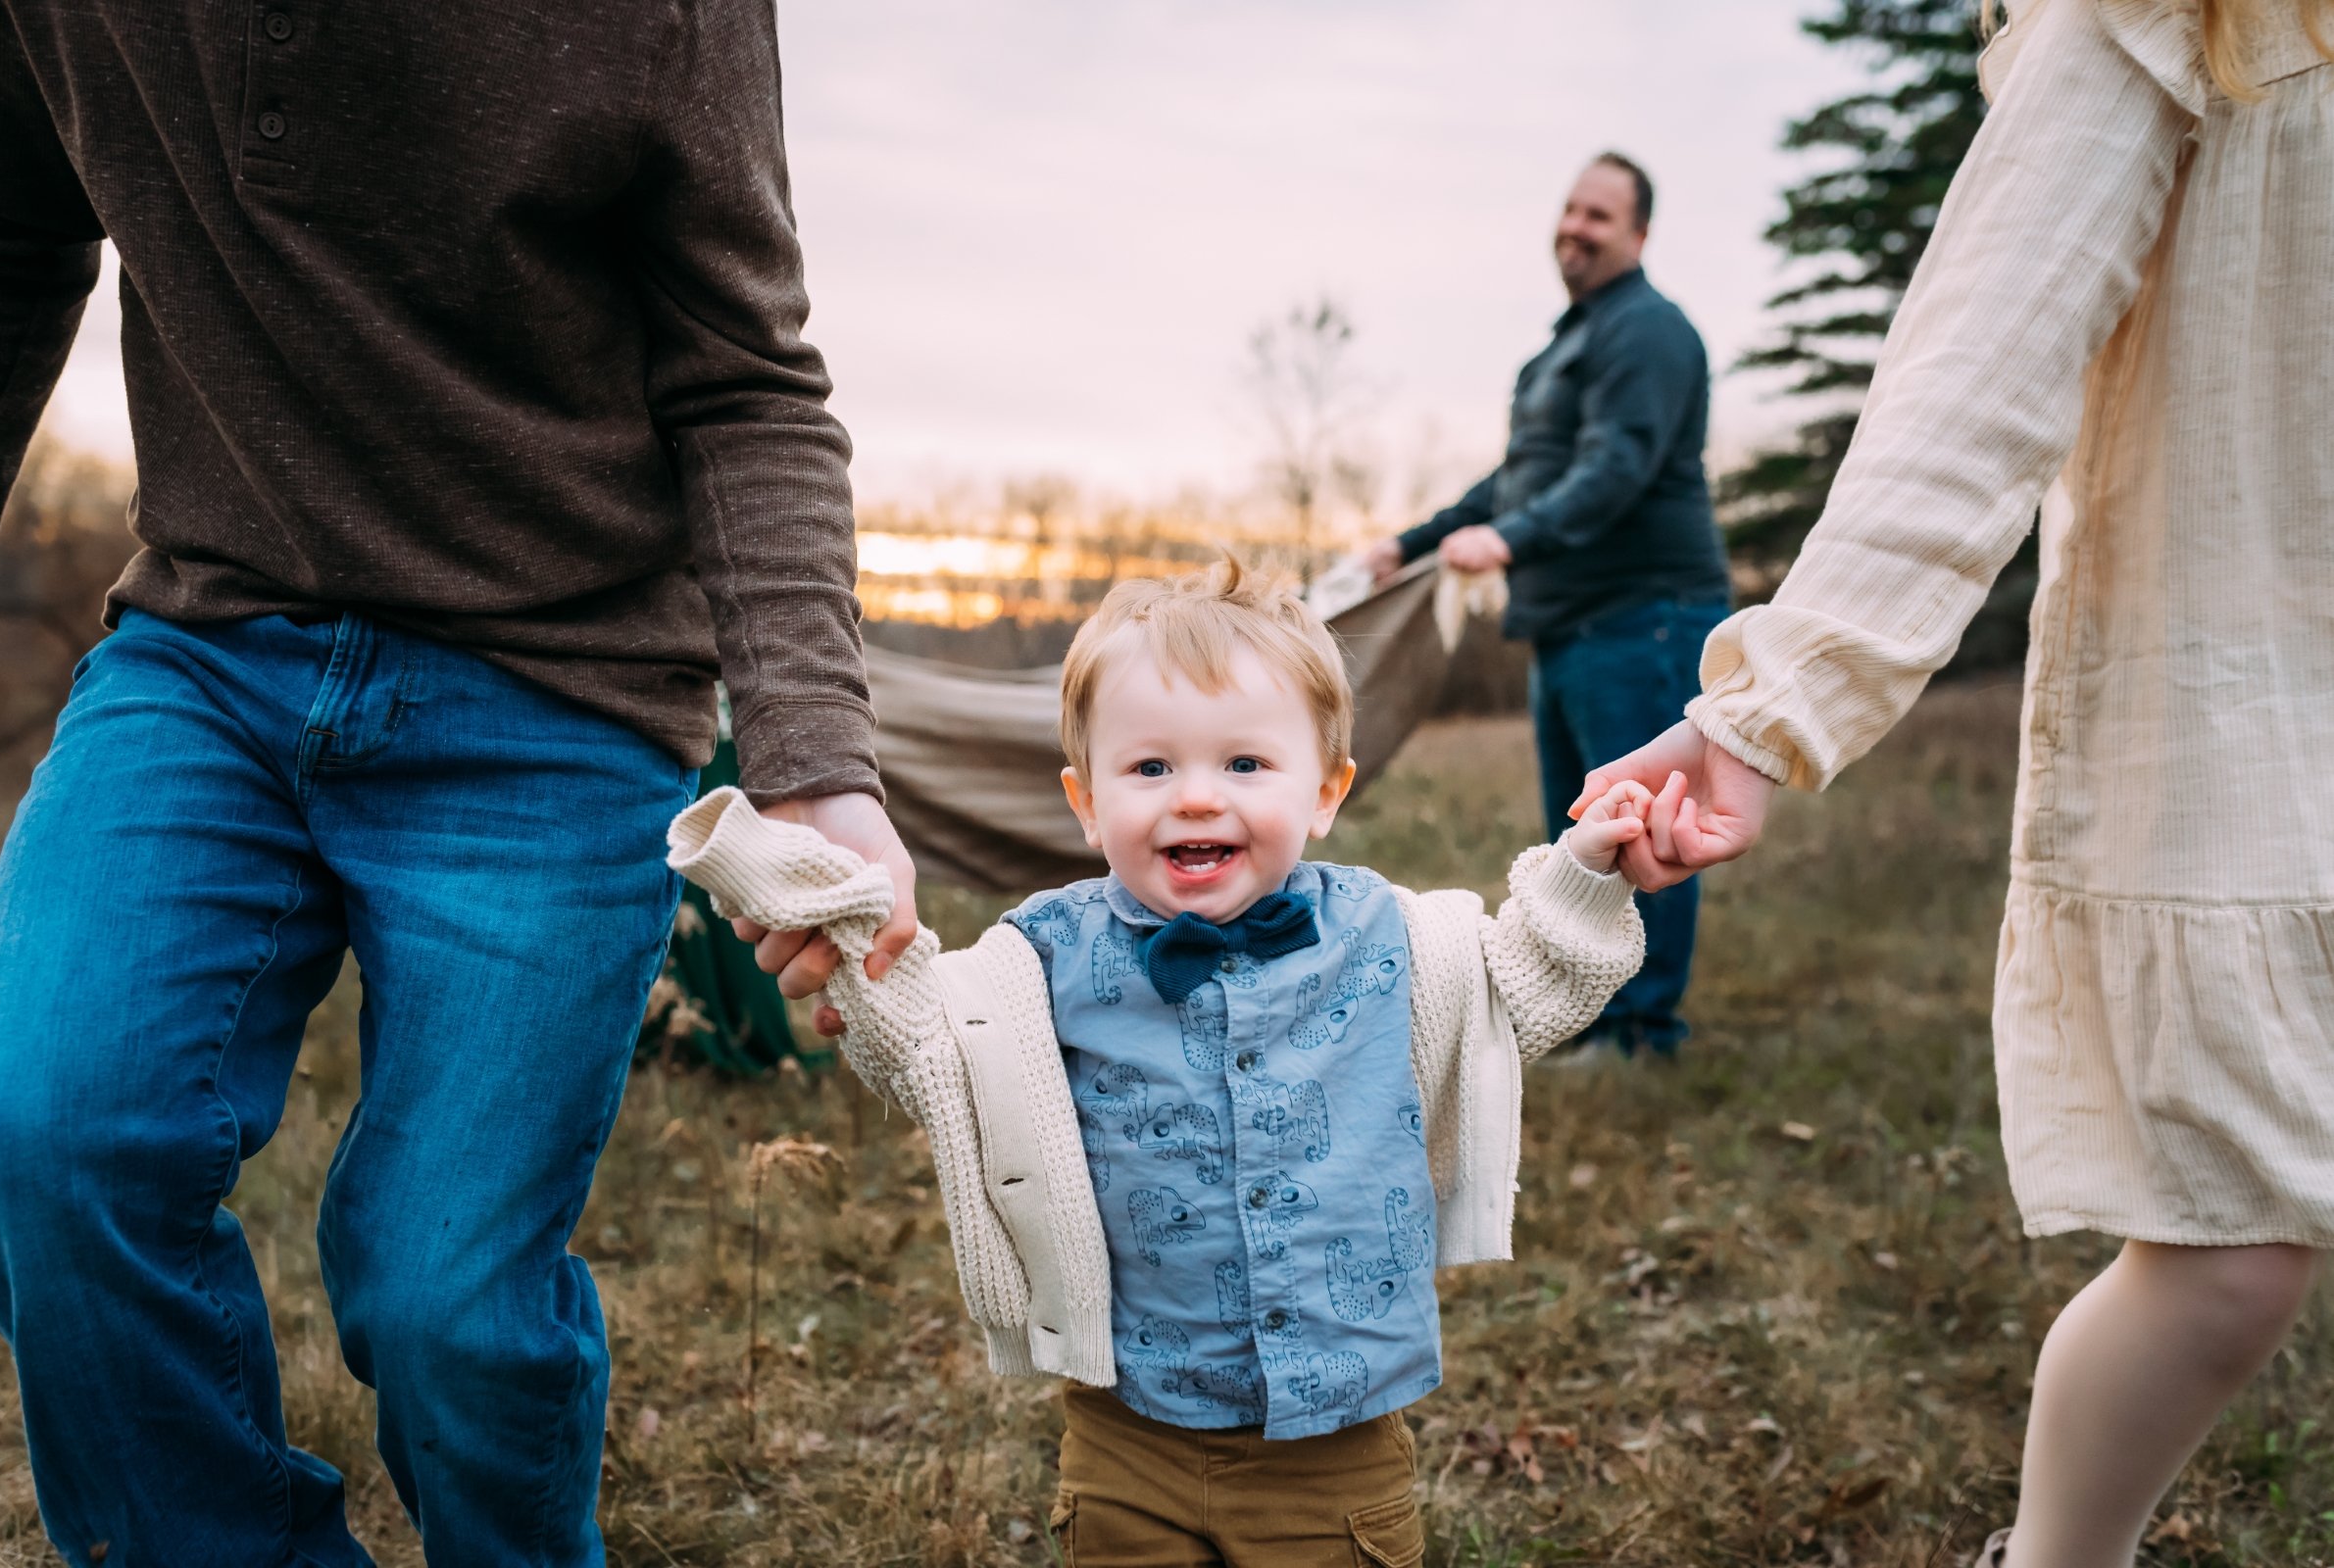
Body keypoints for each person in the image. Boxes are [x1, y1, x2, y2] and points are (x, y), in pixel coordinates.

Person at [0, 4, 914, 1563]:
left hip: (558, 686)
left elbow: (745, 377)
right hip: (209, 646)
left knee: (446, 1298)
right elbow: (7, 240)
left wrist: (816, 760)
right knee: (47, 1137)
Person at [1576, 3, 2334, 1564]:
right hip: (2255, 693)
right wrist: (1768, 708)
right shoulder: (2175, 19)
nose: (1573, 229)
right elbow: (1981, 359)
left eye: (1595, 208)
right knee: (2231, 1250)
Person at [669, 560, 1651, 1565]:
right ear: (1086, 803)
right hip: (1128, 1432)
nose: (1193, 799)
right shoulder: (1043, 958)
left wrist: (1585, 879)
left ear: (1326, 790)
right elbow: (933, 1054)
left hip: (1336, 1442)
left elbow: (1519, 993)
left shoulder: (1393, 939)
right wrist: (840, 930)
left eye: (1242, 765)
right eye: (1149, 770)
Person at [1366, 152, 1730, 1058]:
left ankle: (1644, 1030)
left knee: (1644, 830)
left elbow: (1616, 467)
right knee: (1579, 833)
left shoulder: (1647, 332)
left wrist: (1512, 540)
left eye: (1600, 215)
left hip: (1642, 616)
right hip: (1567, 626)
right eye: (1570, 208)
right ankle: (1586, 1014)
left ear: (1638, 234)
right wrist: (1408, 545)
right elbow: (1518, 477)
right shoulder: (1559, 349)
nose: (1576, 225)